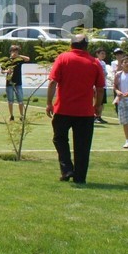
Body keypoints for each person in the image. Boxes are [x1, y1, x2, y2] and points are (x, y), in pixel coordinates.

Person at [46, 34, 105, 185]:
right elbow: (100, 88)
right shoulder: (94, 62)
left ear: (71, 45)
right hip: (85, 111)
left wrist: (49, 103)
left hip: (63, 109)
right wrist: (97, 106)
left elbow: (52, 82)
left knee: (59, 139)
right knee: (83, 146)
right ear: (86, 46)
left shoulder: (63, 58)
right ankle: (80, 177)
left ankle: (67, 169)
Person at [3, 45, 30, 121]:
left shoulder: (19, 60)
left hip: (18, 83)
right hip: (9, 83)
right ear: (10, 52)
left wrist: (18, 56)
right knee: (10, 100)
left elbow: (27, 59)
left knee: (20, 100)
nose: (15, 53)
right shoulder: (7, 60)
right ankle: (11, 115)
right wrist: (7, 71)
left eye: (16, 51)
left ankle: (22, 116)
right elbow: (2, 70)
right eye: (13, 51)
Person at [93, 48, 109, 124]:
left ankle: (99, 116)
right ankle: (94, 116)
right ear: (97, 54)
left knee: (102, 102)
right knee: (96, 101)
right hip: (97, 85)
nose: (103, 55)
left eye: (104, 54)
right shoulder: (95, 61)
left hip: (103, 85)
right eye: (102, 53)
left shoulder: (103, 63)